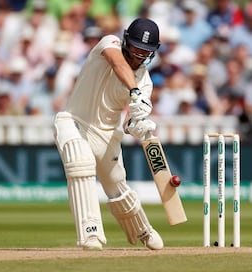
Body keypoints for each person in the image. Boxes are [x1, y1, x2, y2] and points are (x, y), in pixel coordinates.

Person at [53, 18, 163, 251]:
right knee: (80, 164)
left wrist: (139, 124)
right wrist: (134, 91)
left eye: (146, 52)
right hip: (74, 121)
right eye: (135, 48)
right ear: (125, 41)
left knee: (117, 187)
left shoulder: (146, 83)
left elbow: (129, 124)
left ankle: (142, 229)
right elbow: (117, 63)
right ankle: (90, 233)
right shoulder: (108, 44)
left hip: (107, 137)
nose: (139, 55)